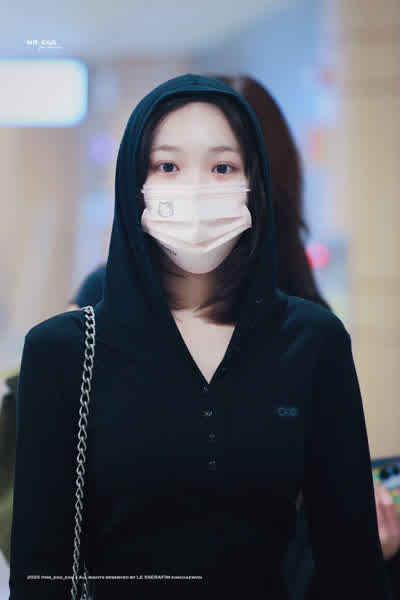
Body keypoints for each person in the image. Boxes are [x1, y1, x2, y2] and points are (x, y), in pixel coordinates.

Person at [8, 74, 395, 599]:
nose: (195, 188)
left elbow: (352, 565)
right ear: (133, 183)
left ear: (255, 183)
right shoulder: (63, 350)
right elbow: (40, 571)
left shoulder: (312, 340)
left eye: (222, 167)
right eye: (167, 166)